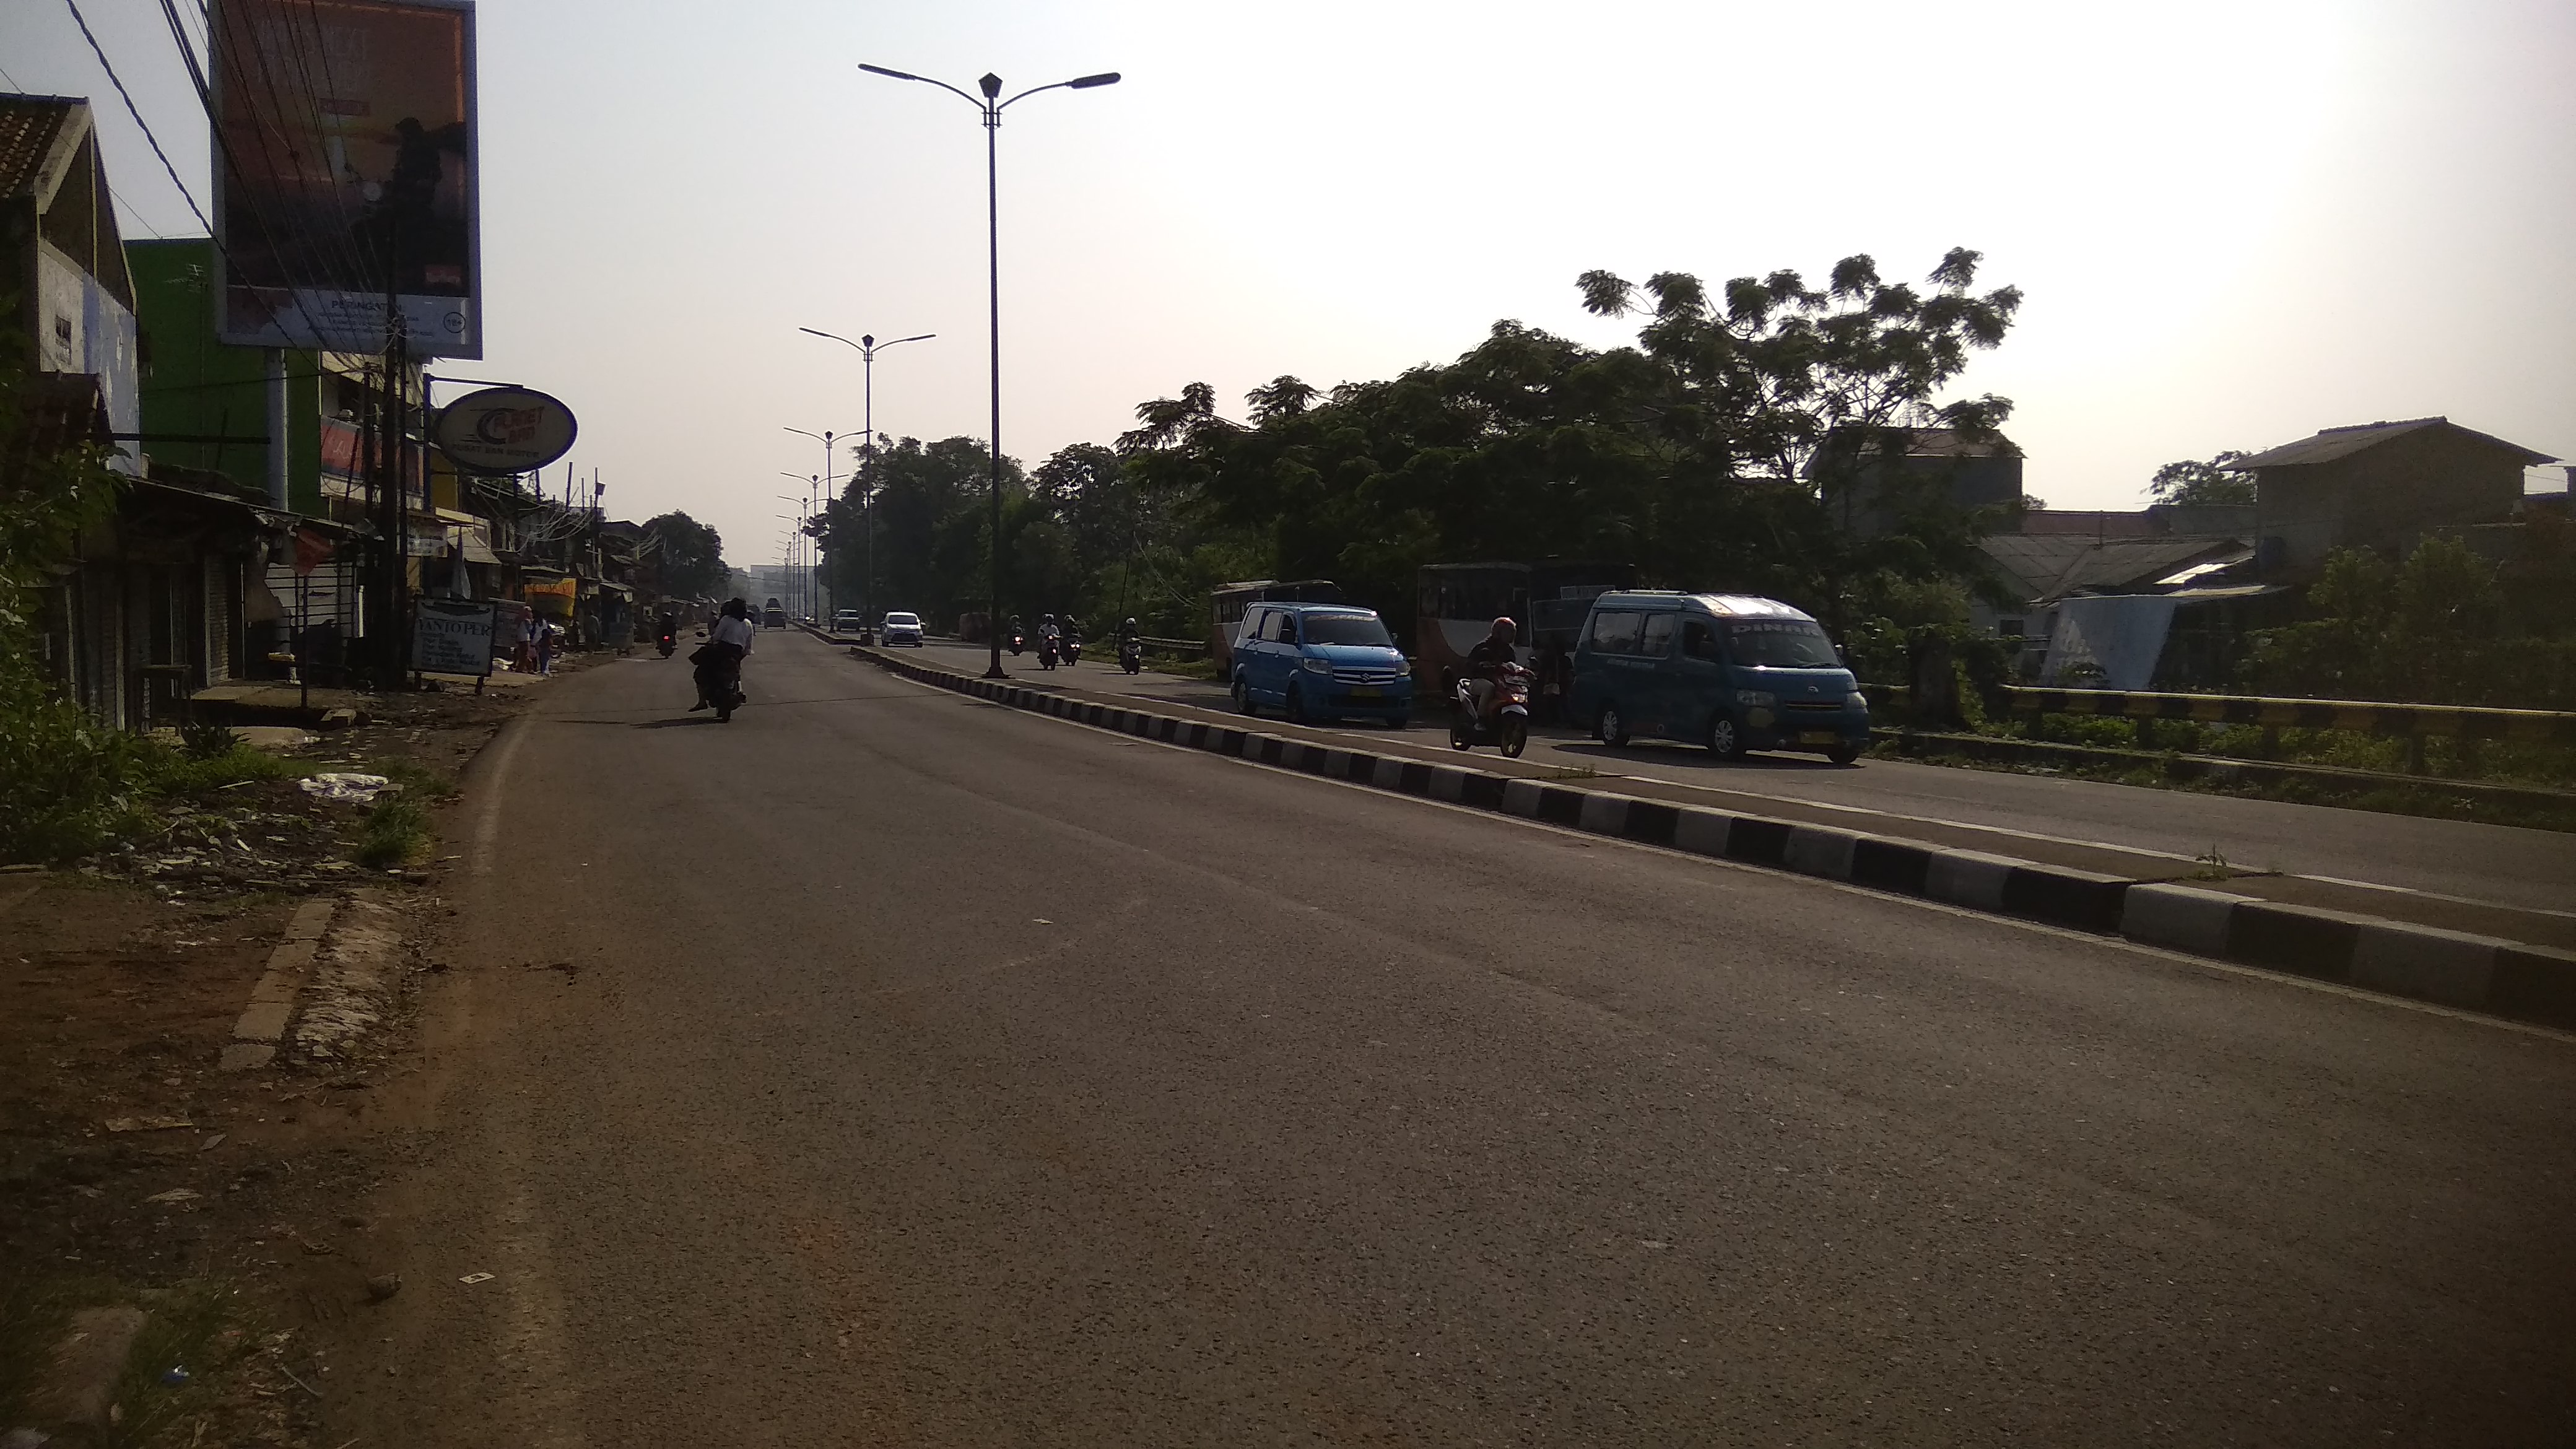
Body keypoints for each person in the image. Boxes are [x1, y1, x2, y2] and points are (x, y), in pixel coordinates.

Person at [691, 598, 755, 713]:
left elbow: (716, 637)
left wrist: (711, 643)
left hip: (722, 652)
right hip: (737, 655)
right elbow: (748, 648)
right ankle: (739, 691)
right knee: (736, 674)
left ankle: (702, 702)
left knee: (700, 673)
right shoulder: (748, 624)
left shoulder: (727, 620)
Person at [1461, 616, 1518, 721]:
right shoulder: (1483, 647)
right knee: (1489, 688)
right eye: (1507, 631)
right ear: (1498, 631)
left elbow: (1512, 666)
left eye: (1512, 632)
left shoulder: (1509, 651)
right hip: (1479, 680)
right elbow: (1469, 664)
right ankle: (1481, 719)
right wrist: (1481, 665)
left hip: (1500, 681)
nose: (1511, 635)